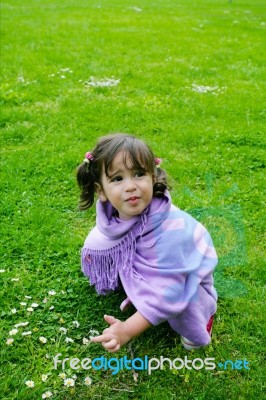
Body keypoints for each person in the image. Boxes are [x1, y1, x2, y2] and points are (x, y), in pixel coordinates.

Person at [77, 133, 218, 353]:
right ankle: (140, 286)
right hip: (160, 265)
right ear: (101, 191)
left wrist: (127, 330)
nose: (130, 186)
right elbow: (103, 242)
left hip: (184, 278)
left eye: (139, 174)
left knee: (186, 300)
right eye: (117, 178)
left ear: (152, 178)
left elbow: (169, 290)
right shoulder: (113, 217)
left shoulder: (171, 231)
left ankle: (203, 313)